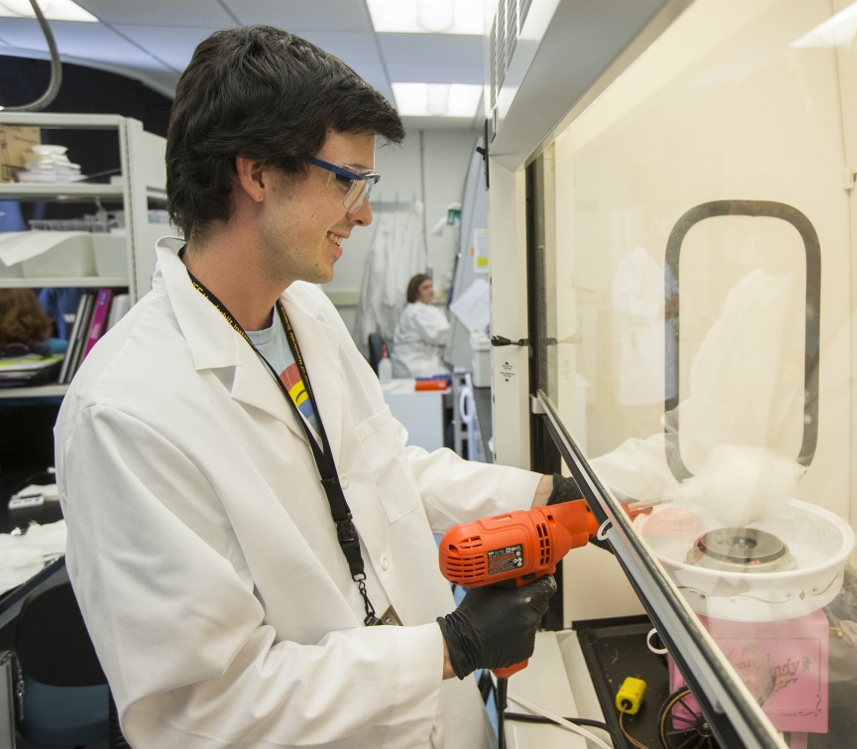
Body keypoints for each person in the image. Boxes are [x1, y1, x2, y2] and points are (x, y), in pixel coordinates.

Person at [54, 26, 582, 749]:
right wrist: (450, 646)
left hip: (440, 721)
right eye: (347, 180)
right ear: (259, 173)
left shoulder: (305, 316)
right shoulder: (124, 411)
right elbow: (203, 713)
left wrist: (544, 495)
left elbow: (386, 466)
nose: (363, 212)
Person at [391, 273, 451, 378]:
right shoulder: (416, 312)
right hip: (412, 363)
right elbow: (438, 336)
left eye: (431, 286)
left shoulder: (427, 308)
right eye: (425, 288)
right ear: (415, 292)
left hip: (423, 359)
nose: (431, 290)